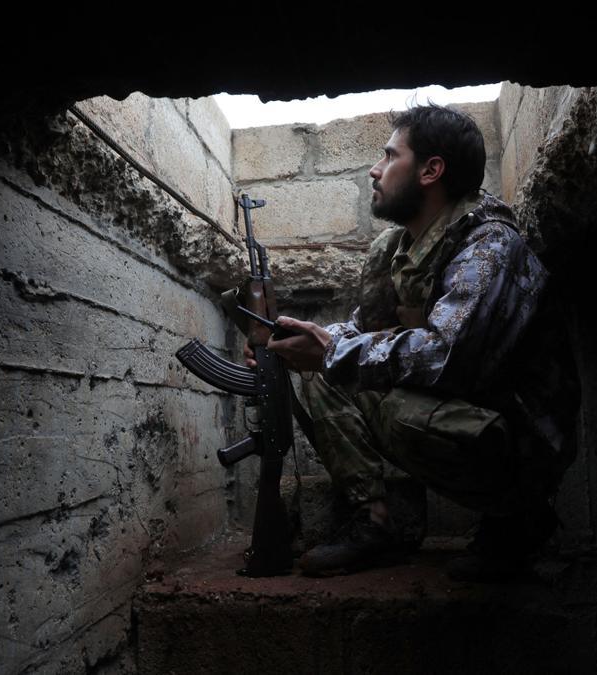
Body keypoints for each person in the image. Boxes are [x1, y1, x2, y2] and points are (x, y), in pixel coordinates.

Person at [248, 103, 579, 582]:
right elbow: (362, 331)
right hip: (464, 410)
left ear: (430, 170)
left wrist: (334, 352)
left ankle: (519, 521)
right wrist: (294, 342)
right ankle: (374, 523)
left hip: (519, 440)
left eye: (389, 156)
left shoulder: (489, 244)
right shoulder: (399, 249)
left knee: (356, 377)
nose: (374, 169)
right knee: (324, 372)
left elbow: (448, 354)